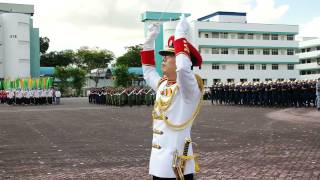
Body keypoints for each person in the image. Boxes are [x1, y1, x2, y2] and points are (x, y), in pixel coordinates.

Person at [140, 15, 203, 180]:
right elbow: (148, 72)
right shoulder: (163, 84)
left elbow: (183, 69)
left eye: (169, 55)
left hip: (177, 165)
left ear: (183, 59)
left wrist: (180, 33)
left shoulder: (189, 90)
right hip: (159, 162)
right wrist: (149, 40)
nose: (164, 58)